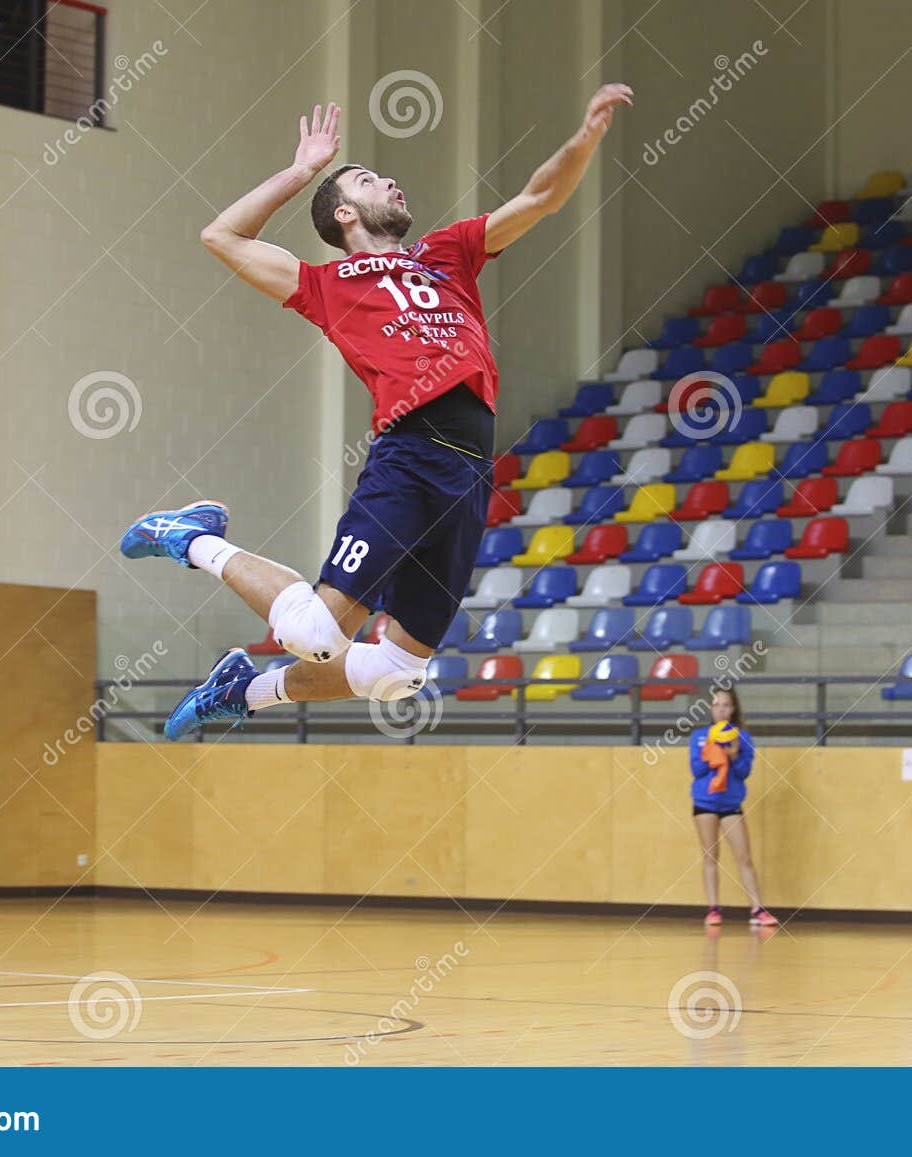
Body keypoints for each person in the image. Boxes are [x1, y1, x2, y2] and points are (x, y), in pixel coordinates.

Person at [117, 86, 633, 738]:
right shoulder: (325, 286)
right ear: (342, 216)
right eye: (367, 179)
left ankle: (245, 692)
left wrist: (581, 141)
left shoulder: (449, 253)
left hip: (471, 473)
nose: (390, 180)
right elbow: (220, 234)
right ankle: (191, 536)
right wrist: (302, 172)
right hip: (412, 458)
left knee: (398, 671)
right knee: (317, 635)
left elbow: (540, 197)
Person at [690, 688, 778, 928]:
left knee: (744, 856)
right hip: (704, 803)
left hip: (731, 804)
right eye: (717, 705)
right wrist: (712, 750)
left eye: (726, 705)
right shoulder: (699, 736)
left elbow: (743, 772)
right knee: (710, 857)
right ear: (710, 708)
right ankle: (713, 909)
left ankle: (757, 909)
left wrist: (733, 754)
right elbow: (697, 770)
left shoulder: (744, 738)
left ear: (734, 708)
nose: (721, 709)